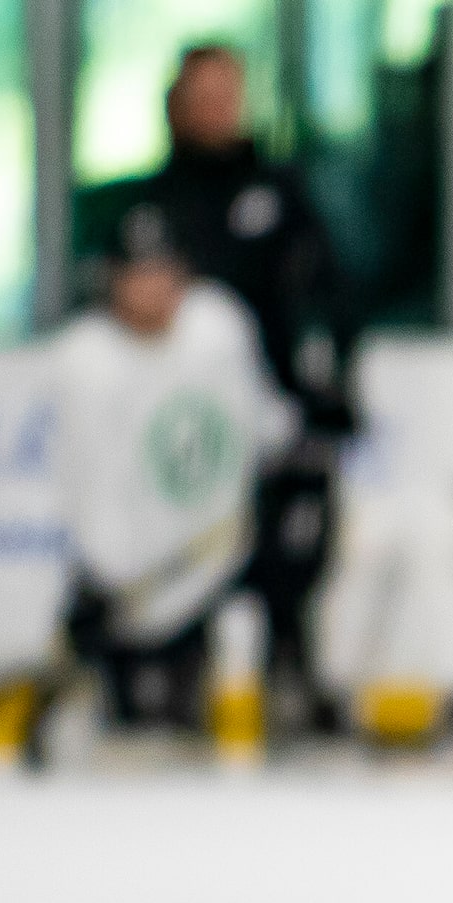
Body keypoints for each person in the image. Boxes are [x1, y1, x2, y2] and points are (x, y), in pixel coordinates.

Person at [117, 44, 358, 742]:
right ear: (176, 103)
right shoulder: (154, 203)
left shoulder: (280, 190)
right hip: (191, 424)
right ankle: (173, 666)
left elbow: (330, 296)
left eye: (231, 92)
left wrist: (326, 387)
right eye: (205, 94)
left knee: (293, 548)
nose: (220, 107)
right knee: (185, 544)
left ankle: (290, 671)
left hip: (278, 419)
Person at [29, 204, 294, 756]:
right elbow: (83, 487)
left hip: (209, 570)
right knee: (119, 752)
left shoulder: (218, 329)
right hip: (118, 590)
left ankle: (295, 692)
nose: (153, 288)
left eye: (163, 271)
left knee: (180, 750)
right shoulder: (82, 360)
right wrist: (110, 580)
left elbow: (261, 426)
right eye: (137, 273)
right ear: (111, 280)